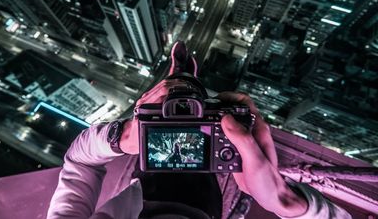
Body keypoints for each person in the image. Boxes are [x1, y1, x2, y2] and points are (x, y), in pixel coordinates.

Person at [47, 42, 352, 219]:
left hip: (149, 183)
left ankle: (181, 81)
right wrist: (286, 201)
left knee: (181, 144)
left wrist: (121, 137)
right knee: (202, 157)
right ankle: (186, 83)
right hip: (204, 197)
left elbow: (79, 162)